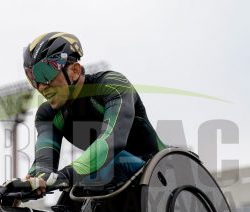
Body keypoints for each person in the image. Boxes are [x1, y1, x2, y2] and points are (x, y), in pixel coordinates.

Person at [23, 32, 166, 193]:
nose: (41, 87)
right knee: (74, 192)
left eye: (45, 73)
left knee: (97, 172)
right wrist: (26, 187)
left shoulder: (112, 85)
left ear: (75, 71)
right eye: (33, 78)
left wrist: (66, 176)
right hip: (111, 178)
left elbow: (111, 142)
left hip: (164, 173)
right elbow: (43, 167)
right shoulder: (47, 115)